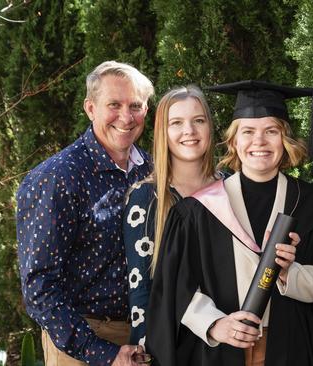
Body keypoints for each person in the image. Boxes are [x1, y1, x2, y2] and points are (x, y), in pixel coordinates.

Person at [146, 80, 313, 366]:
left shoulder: (311, 202)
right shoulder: (197, 211)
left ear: (285, 139)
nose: (259, 142)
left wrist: (288, 273)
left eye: (271, 131)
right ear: (233, 141)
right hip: (221, 353)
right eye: (248, 132)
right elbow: (174, 288)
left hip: (289, 349)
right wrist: (214, 324)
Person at [16, 61, 154, 366]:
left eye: (135, 105)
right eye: (114, 105)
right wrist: (102, 353)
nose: (126, 117)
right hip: (84, 343)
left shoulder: (152, 169)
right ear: (90, 108)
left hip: (148, 337)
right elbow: (39, 284)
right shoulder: (58, 177)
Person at [123, 85, 223, 350]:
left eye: (198, 121)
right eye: (176, 123)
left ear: (210, 127)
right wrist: (145, 348)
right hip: (174, 341)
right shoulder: (147, 198)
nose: (189, 131)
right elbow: (141, 286)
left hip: (227, 338)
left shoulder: (230, 187)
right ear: (162, 133)